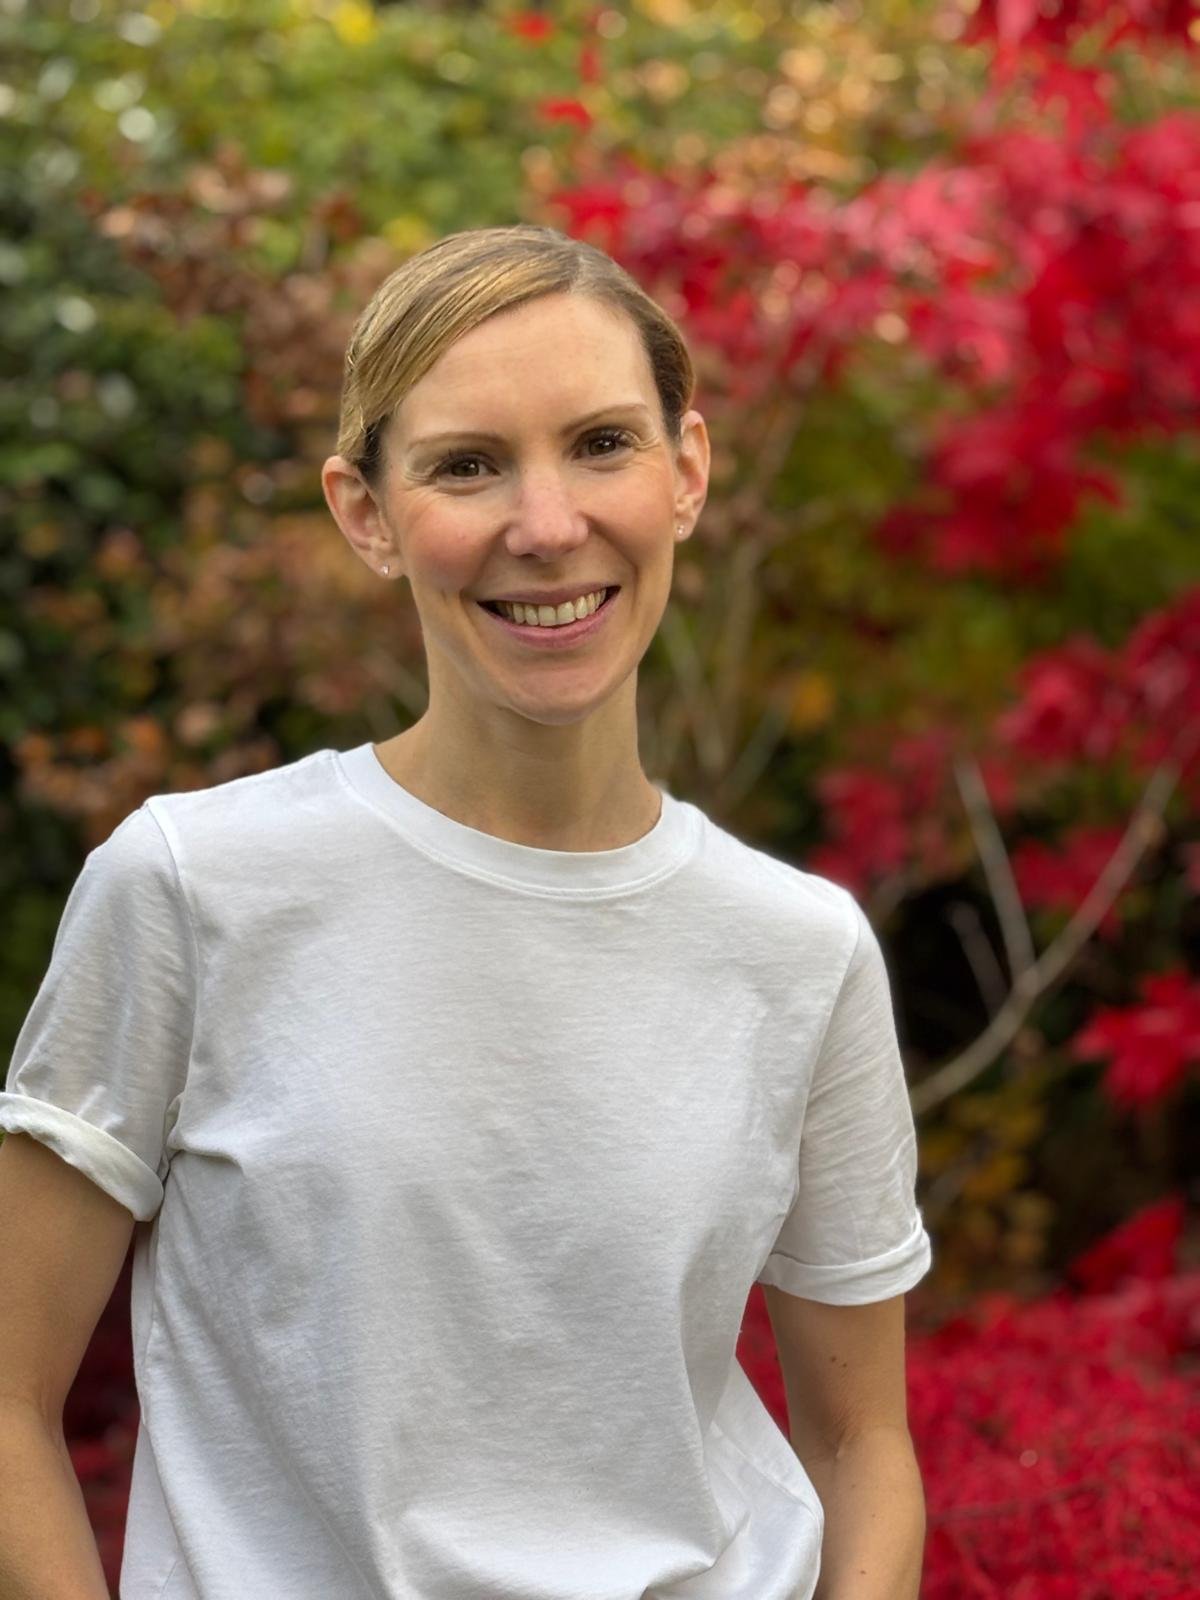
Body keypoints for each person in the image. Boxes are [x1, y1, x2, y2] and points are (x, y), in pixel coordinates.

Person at [0, 223, 932, 1600]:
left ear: (688, 470)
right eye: (467, 465)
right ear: (365, 512)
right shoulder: (194, 888)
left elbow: (863, 1447)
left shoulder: (797, 949)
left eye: (603, 444)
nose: (547, 526)